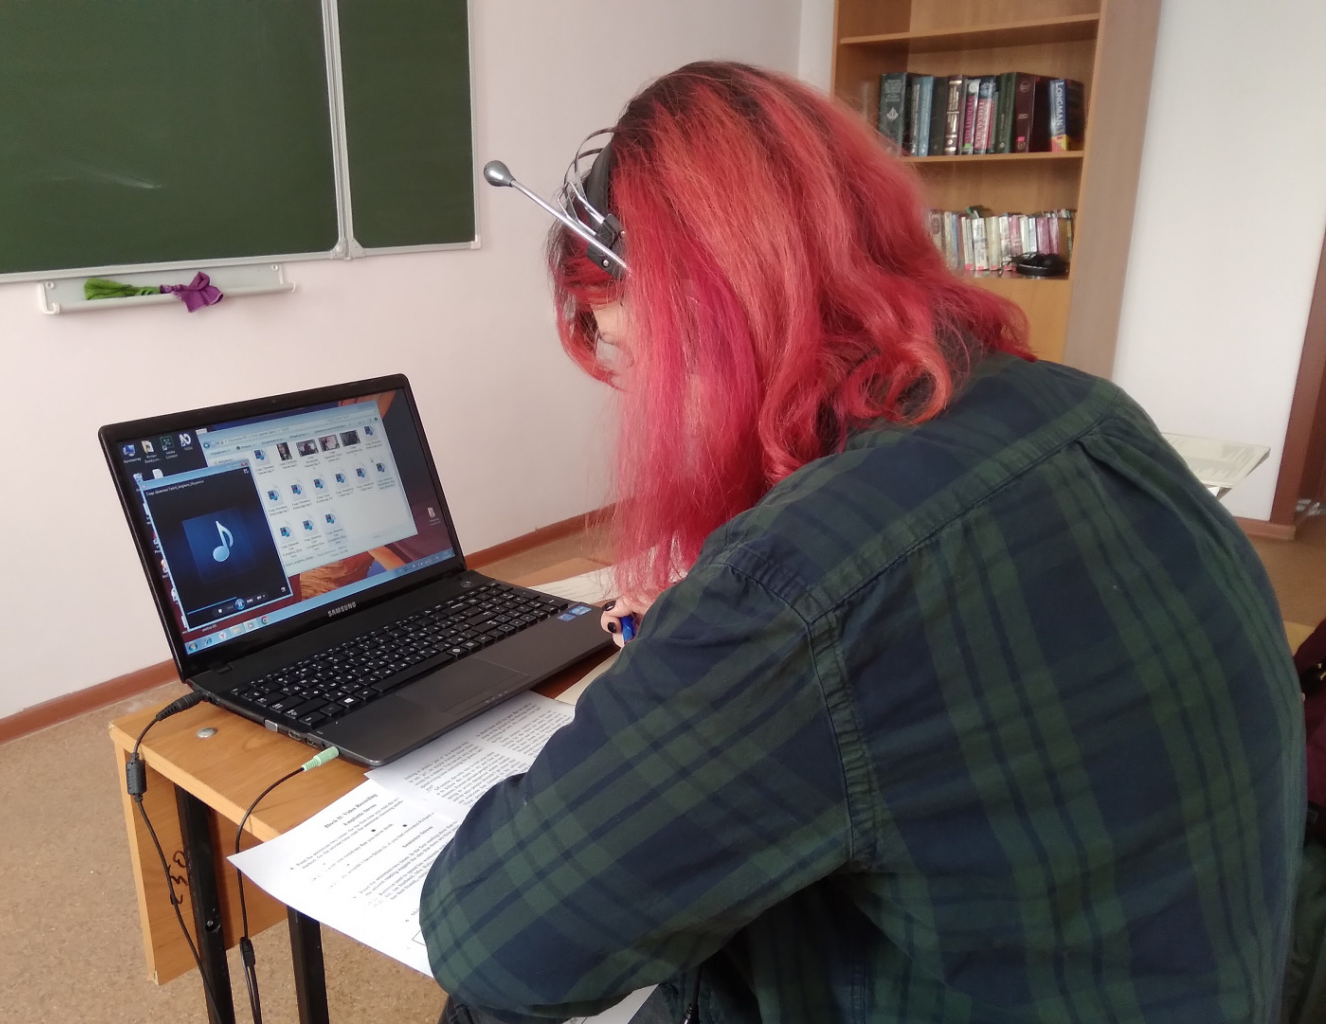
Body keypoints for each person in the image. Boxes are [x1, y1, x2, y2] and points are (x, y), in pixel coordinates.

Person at [419, 62, 1304, 1023]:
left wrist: (709, 652)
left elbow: (495, 941)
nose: (645, 405)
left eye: (637, 360)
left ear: (709, 331)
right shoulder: (1087, 410)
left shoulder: (797, 588)